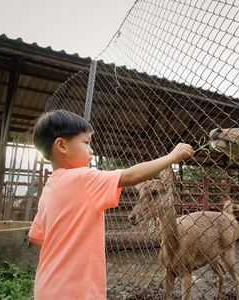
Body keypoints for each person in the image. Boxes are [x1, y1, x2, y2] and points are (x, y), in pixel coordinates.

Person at [28, 110, 194, 300]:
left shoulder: (49, 189)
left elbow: (36, 237)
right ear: (61, 145)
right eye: (86, 143)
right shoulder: (82, 178)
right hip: (77, 290)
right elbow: (130, 176)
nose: (91, 150)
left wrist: (66, 247)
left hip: (46, 286)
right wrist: (172, 157)